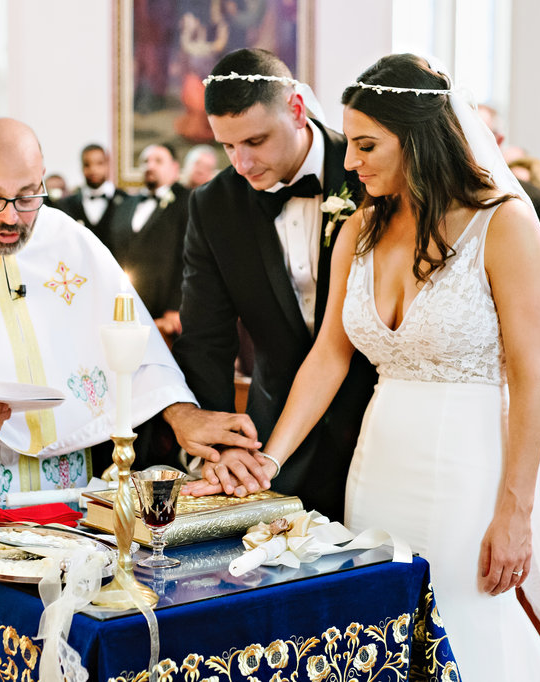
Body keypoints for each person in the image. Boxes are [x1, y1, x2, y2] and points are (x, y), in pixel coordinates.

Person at [187, 54, 540, 681]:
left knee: (464, 629)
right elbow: (329, 357)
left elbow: (532, 378)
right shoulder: (360, 228)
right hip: (377, 470)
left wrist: (516, 512)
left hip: (468, 475)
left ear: (418, 138)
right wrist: (270, 462)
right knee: (386, 634)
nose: (349, 162)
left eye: (367, 145)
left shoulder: (502, 223)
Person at [0, 118, 252, 538]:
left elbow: (137, 355)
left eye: (26, 197)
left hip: (80, 494)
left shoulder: (74, 243)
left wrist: (180, 412)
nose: (10, 218)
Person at [168, 48, 378, 521]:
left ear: (297, 111)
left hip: (379, 429)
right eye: (227, 146)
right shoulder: (214, 206)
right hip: (272, 439)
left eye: (255, 141)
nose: (241, 163)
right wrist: (222, 447)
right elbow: (206, 339)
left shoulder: (371, 173)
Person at [109, 143, 189, 338]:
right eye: (145, 161)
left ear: (175, 168)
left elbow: (187, 258)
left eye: (158, 161)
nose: (149, 166)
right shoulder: (125, 204)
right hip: (127, 308)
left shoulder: (187, 202)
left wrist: (175, 307)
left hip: (165, 312)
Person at [54, 144, 127, 246]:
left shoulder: (126, 201)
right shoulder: (67, 204)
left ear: (108, 165)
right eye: (87, 164)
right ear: (82, 167)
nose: (93, 169)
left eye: (99, 163)